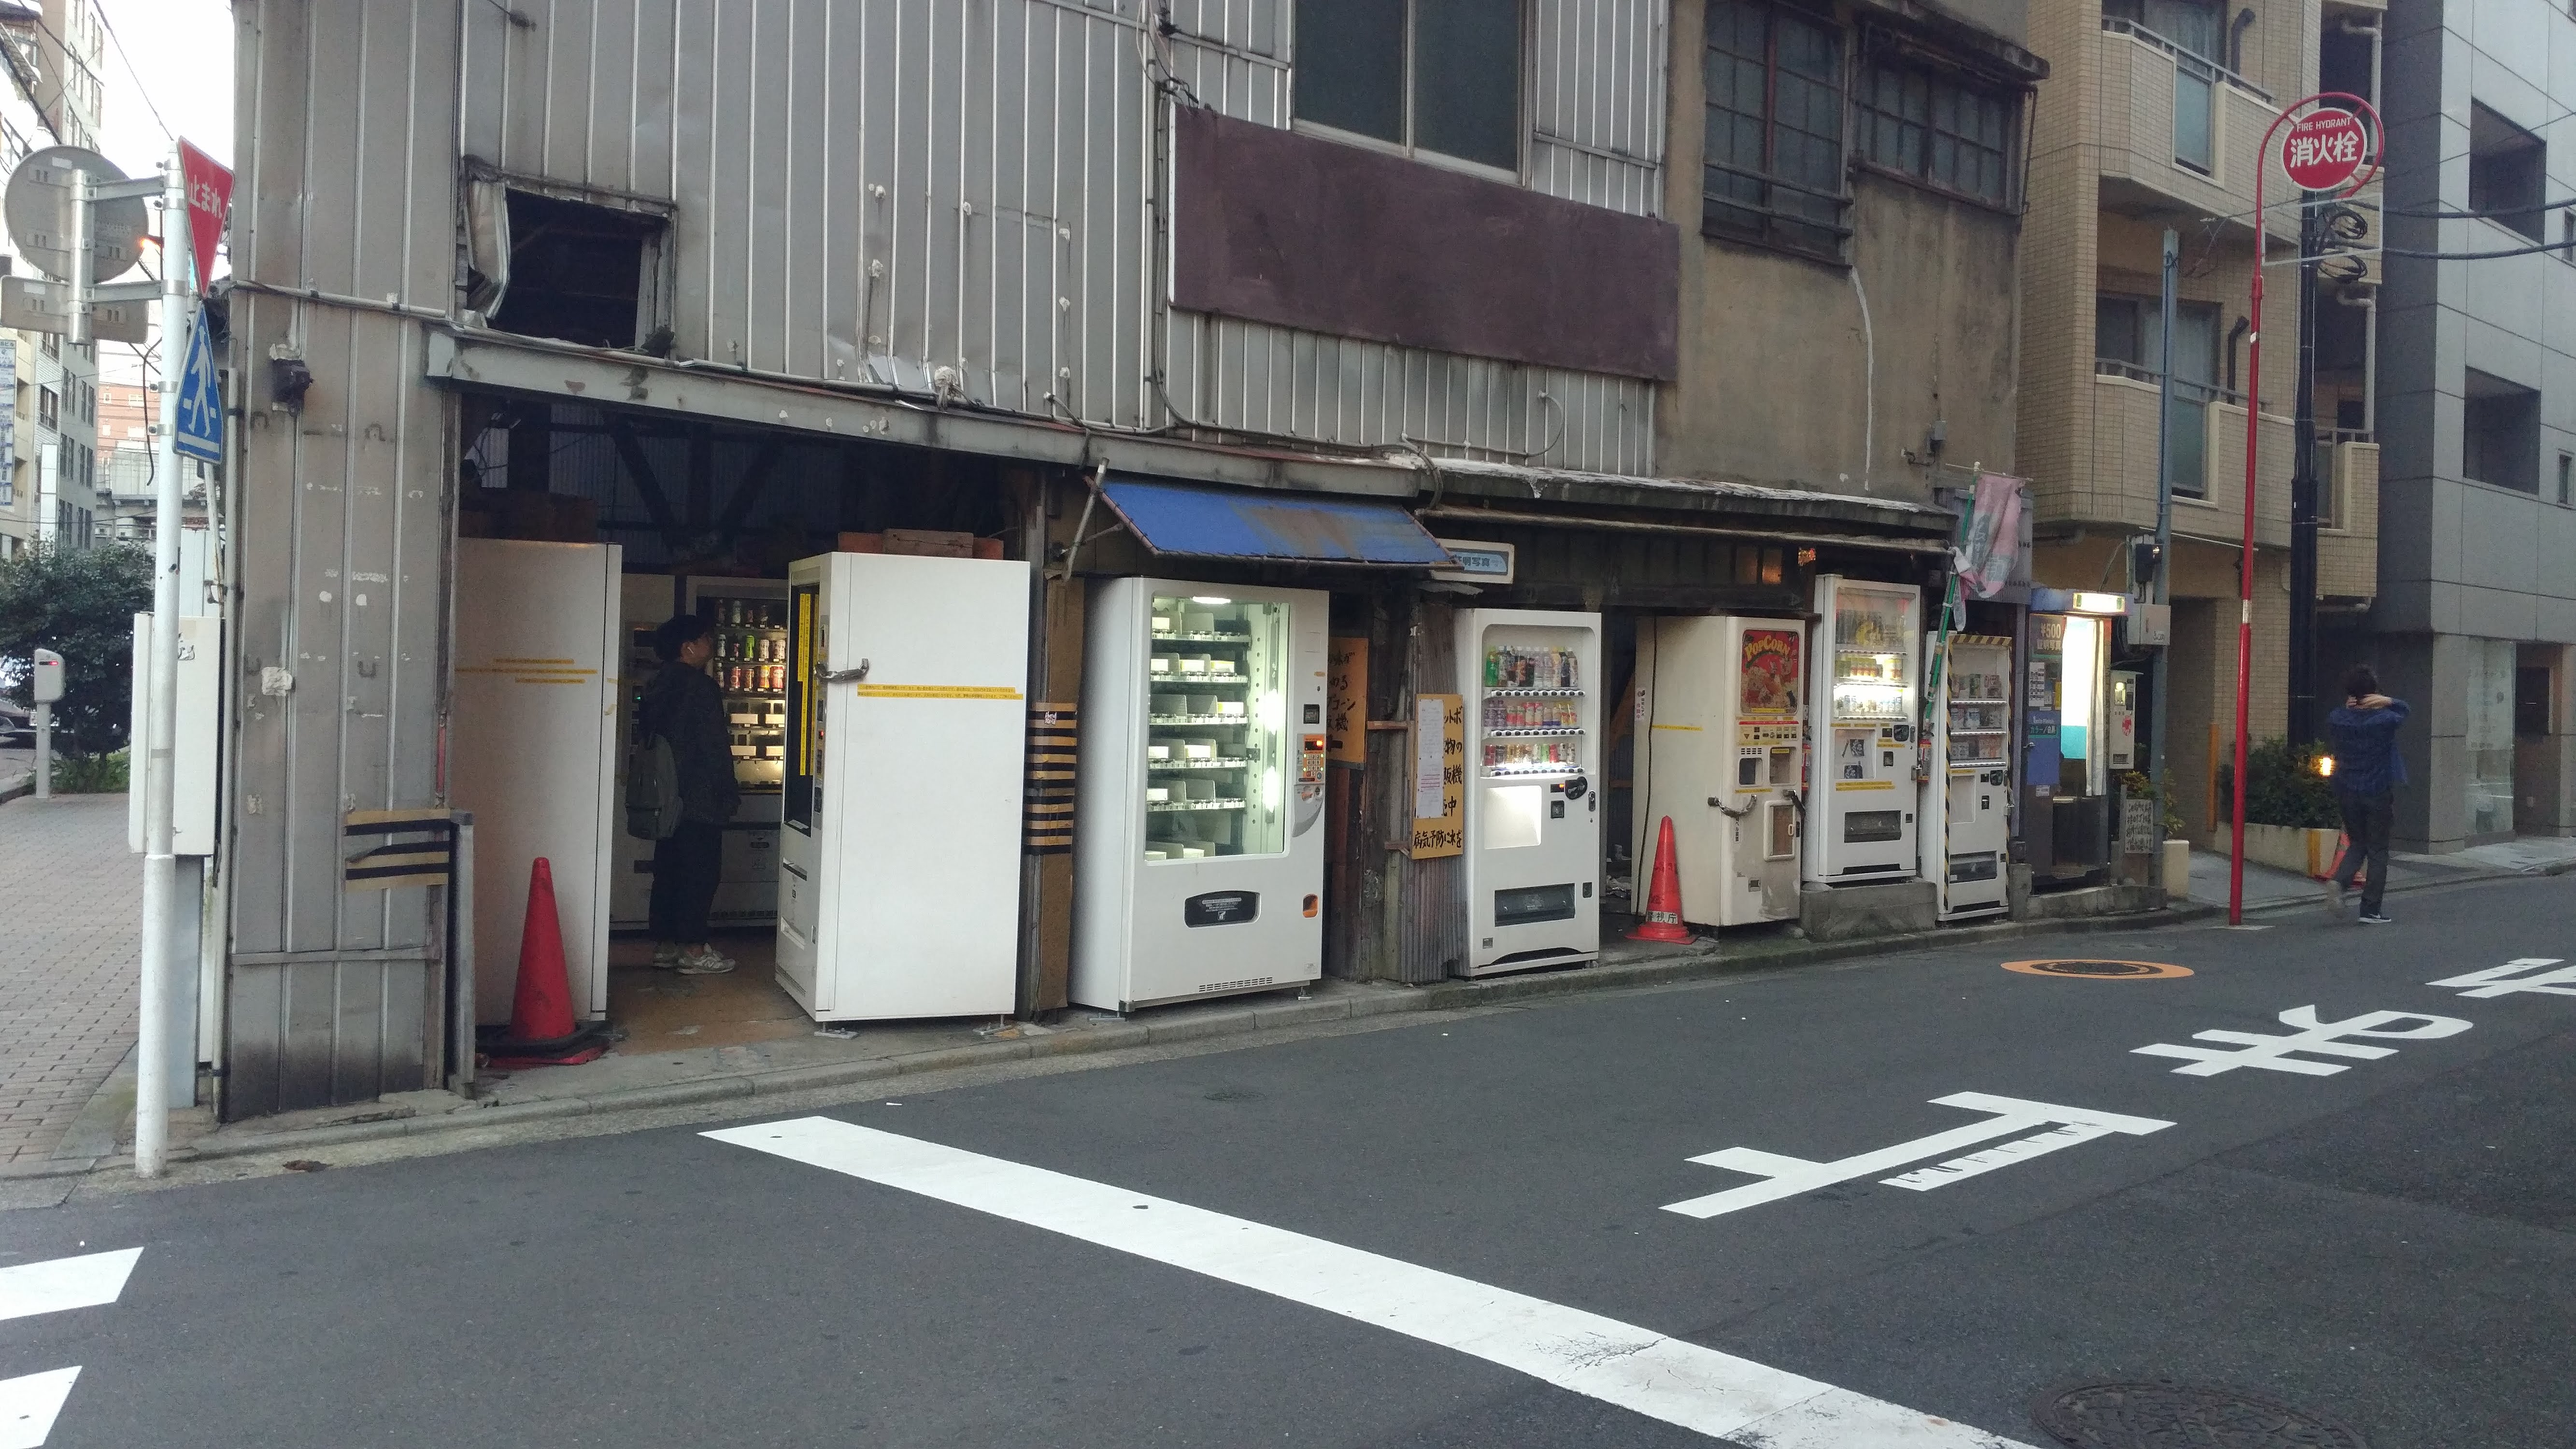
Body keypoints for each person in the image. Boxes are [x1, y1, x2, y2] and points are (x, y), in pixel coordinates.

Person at [641, 612, 740, 973]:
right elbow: (713, 746)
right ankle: (695, 951)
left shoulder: (657, 684)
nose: (711, 646)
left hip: (664, 796)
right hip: (699, 794)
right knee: (700, 872)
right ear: (689, 647)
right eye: (707, 640)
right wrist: (727, 791)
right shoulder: (700, 687)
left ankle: (666, 945)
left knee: (669, 868)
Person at [2324, 665, 2407, 925]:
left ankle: (2340, 881)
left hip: (2347, 790)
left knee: (2358, 842)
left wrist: (2351, 705)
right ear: (2374, 693)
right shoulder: (2384, 719)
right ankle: (2371, 910)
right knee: (2378, 850)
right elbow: (2404, 711)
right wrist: (2389, 701)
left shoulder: (2338, 719)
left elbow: (2336, 714)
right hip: (2377, 790)